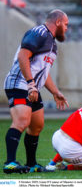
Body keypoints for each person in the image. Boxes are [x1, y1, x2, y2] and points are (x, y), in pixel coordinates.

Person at [3, 9, 69, 174]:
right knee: (22, 121)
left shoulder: (53, 44)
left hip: (31, 87)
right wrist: (31, 84)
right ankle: (10, 163)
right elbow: (23, 56)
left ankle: (32, 164)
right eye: (66, 24)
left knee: (37, 125)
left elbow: (43, 73)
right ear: (58, 22)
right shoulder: (38, 32)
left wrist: (55, 92)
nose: (67, 28)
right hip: (19, 84)